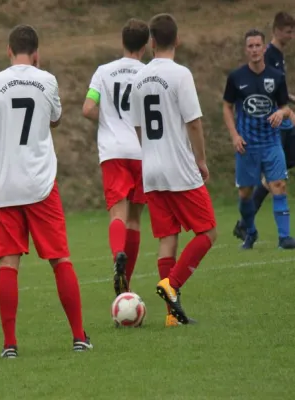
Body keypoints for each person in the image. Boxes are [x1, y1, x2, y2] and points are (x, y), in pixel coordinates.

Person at [0, 24, 92, 357]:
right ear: (37, 53)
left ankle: (10, 345)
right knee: (60, 259)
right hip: (41, 184)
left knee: (8, 264)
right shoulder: (47, 80)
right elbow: (55, 118)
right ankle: (78, 337)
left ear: (8, 50)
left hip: (5, 186)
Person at [130, 13, 217, 325]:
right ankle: (172, 285)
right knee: (207, 231)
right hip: (179, 168)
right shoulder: (181, 75)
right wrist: (201, 161)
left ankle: (172, 316)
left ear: (152, 42)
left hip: (151, 169)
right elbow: (193, 122)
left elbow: (138, 128)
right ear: (176, 40)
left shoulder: (138, 78)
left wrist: (150, 154)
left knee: (167, 238)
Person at [82, 18, 150, 298]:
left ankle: (117, 254)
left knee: (117, 213)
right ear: (145, 46)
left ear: (122, 42)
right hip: (141, 151)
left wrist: (108, 120)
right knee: (135, 218)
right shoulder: (148, 73)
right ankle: (127, 284)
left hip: (112, 153)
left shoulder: (103, 72)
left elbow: (87, 108)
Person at [223, 29, 295, 250]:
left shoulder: (277, 77)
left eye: (258, 46)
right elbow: (227, 106)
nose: (254, 50)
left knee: (279, 185)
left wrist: (281, 113)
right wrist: (234, 136)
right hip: (247, 145)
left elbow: (284, 106)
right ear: (246, 50)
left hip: (271, 143)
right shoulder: (236, 77)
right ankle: (250, 231)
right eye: (250, 46)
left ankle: (284, 238)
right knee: (245, 192)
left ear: (264, 48)